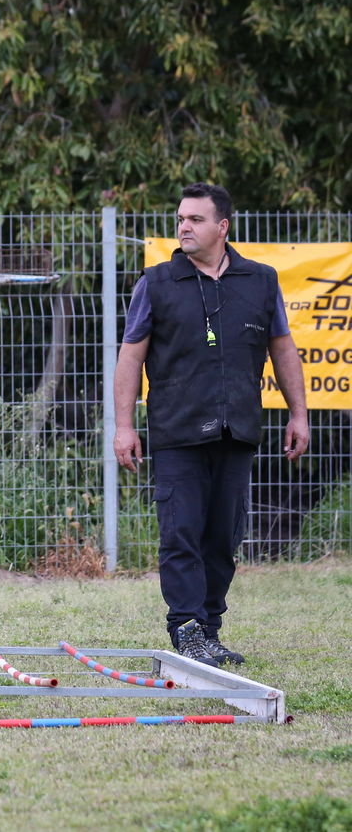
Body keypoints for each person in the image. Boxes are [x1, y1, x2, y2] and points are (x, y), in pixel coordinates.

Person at [113, 182, 309, 667]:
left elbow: (282, 348)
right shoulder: (155, 283)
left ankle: (210, 629)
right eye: (181, 218)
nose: (184, 227)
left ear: (222, 227)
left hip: (237, 431)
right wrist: (124, 425)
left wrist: (299, 414)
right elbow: (130, 355)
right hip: (176, 432)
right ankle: (185, 628)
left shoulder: (260, 281)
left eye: (196, 219)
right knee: (180, 532)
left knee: (223, 537)